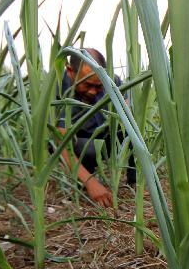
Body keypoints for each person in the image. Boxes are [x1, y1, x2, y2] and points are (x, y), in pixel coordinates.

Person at [57, 48, 135, 208]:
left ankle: (134, 182)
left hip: (105, 137)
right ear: (70, 71)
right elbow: (61, 144)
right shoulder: (59, 89)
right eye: (87, 85)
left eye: (98, 86)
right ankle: (83, 179)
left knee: (133, 129)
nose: (93, 92)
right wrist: (91, 183)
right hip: (79, 145)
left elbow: (129, 116)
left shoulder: (112, 81)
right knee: (90, 148)